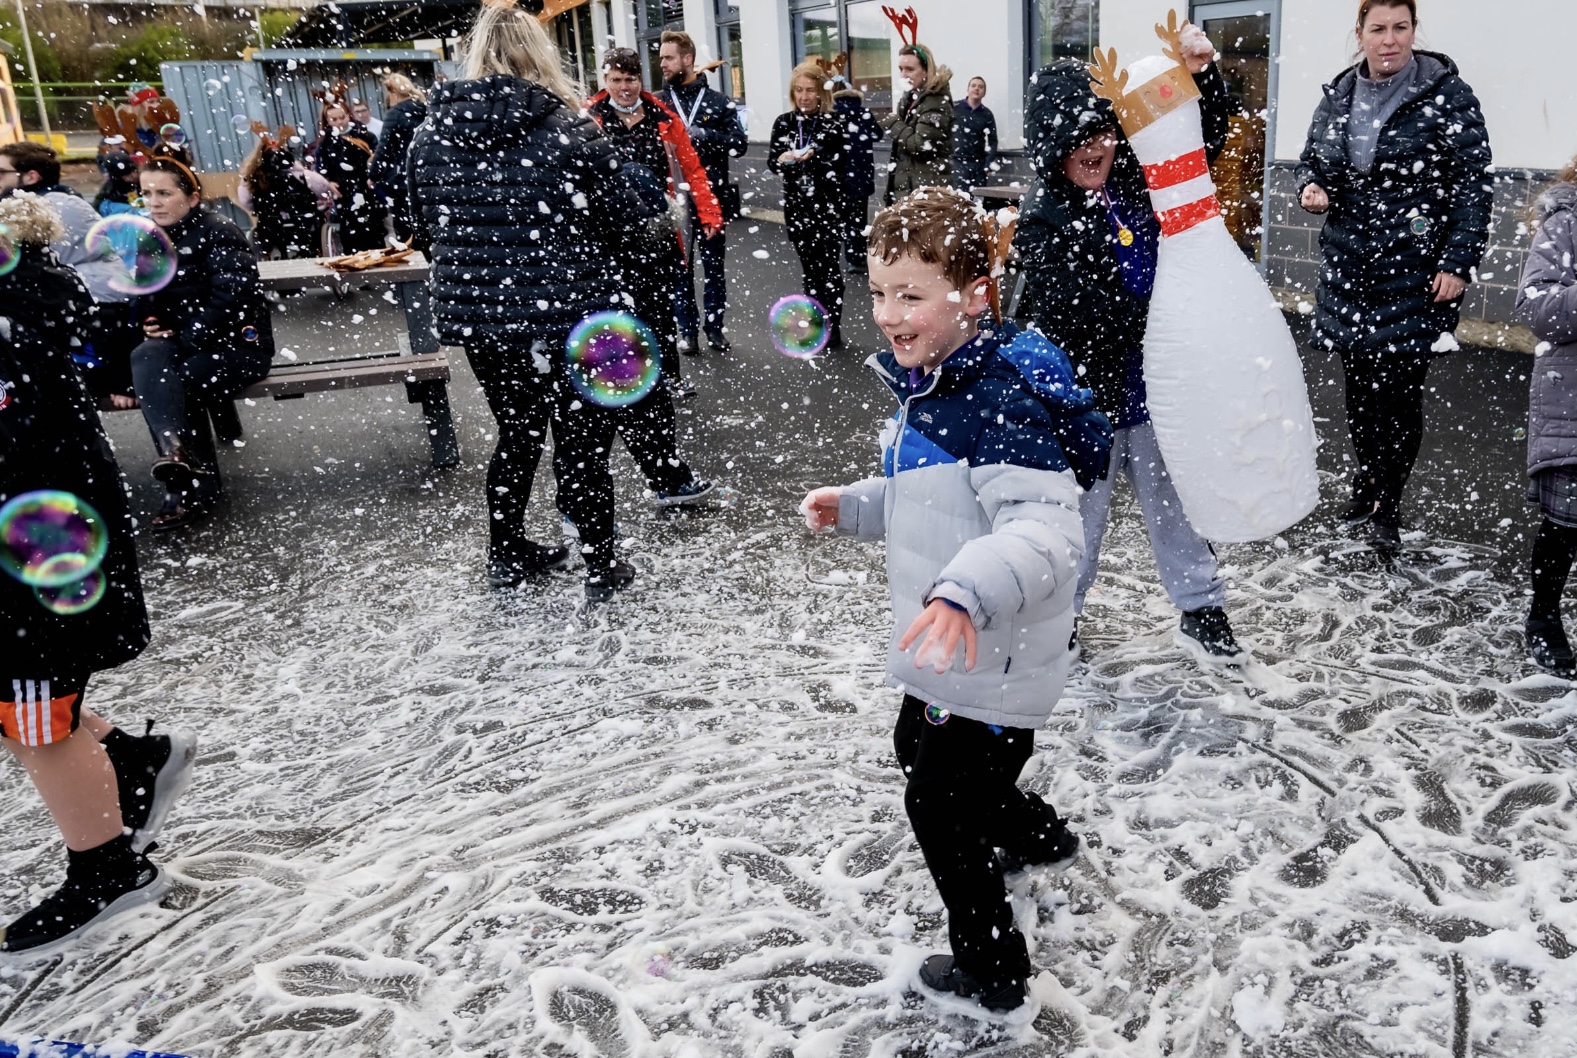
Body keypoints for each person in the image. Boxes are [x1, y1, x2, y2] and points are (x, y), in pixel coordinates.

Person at [801, 187, 1111, 1013]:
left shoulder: (997, 399)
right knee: (923, 749)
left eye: (910, 294)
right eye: (876, 292)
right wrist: (862, 504)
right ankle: (1035, 833)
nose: (888, 313)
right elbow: (934, 499)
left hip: (992, 651)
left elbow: (1048, 536)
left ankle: (992, 967)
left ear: (972, 296)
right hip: (960, 650)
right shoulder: (939, 382)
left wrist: (964, 592)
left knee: (938, 803)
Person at [407, 1, 660, 601]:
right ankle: (599, 561)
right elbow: (625, 219)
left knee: (517, 432)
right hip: (570, 311)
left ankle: (506, 549)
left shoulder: (429, 134)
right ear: (538, 56)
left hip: (485, 317)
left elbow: (423, 222)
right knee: (582, 439)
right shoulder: (569, 129)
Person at [0, 190, 196, 956]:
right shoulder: (28, 281)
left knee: (32, 709)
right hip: (42, 525)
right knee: (26, 698)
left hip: (36, 534)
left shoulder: (15, 303)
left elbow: (18, 418)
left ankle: (108, 870)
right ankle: (130, 757)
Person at [1017, 34, 1249, 666]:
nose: (1098, 147)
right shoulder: (1044, 216)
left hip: (1154, 389)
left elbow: (1195, 141)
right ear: (1050, 145)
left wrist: (1201, 74)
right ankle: (1058, 618)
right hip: (1086, 396)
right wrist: (1163, 318)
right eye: (1080, 138)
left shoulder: (1129, 179)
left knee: (1175, 504)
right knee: (1078, 522)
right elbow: (1075, 313)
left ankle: (1202, 605)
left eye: (1104, 133)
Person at [1296, 0, 1492, 550]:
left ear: (1413, 31)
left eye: (1400, 28)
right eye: (1378, 29)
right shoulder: (1338, 96)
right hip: (1350, 269)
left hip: (1414, 272)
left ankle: (1388, 502)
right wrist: (1311, 188)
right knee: (1359, 394)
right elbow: (1314, 160)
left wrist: (1457, 262)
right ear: (1359, 34)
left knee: (1399, 395)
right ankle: (1368, 483)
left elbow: (1473, 186)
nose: (1390, 40)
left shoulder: (1447, 96)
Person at [579, 49, 717, 500]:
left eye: (630, 80)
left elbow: (692, 166)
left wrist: (707, 210)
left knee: (660, 311)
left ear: (641, 80)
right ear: (606, 79)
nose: (624, 88)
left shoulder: (660, 114)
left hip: (657, 232)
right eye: (617, 80)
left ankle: (663, 373)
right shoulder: (589, 117)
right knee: (621, 323)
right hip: (610, 240)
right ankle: (636, 385)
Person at [128, 157, 274, 531]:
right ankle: (175, 453)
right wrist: (147, 320)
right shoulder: (152, 237)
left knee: (180, 380)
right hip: (184, 342)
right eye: (147, 193)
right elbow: (142, 293)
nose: (154, 202)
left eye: (164, 193)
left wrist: (188, 337)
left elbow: (235, 298)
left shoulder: (218, 231)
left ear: (192, 198)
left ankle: (192, 489)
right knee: (146, 354)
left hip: (237, 346)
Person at [0, 142, 139, 407]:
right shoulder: (44, 201)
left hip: (98, 321)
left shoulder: (48, 208)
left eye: (1, 172)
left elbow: (27, 272)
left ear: (31, 176)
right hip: (83, 316)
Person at [1518, 155, 1577, 676]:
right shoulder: (1565, 224)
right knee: (1566, 524)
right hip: (1573, 398)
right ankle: (1543, 615)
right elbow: (1538, 309)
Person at [659, 30, 748, 354]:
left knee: (714, 269)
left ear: (687, 60)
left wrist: (704, 134)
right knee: (679, 269)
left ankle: (714, 328)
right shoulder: (660, 102)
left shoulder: (718, 102)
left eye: (668, 57)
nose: (662, 64)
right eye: (661, 58)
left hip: (712, 196)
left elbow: (739, 143)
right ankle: (687, 331)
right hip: (674, 200)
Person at [769, 62, 849, 350]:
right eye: (799, 90)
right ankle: (816, 324)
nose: (804, 96)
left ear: (820, 93)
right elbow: (773, 159)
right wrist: (783, 160)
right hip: (798, 209)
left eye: (810, 90)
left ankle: (833, 323)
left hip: (827, 208)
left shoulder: (832, 123)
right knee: (810, 269)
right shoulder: (784, 122)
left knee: (829, 268)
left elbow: (836, 157)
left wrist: (813, 155)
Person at [880, 44, 953, 204]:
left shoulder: (936, 100)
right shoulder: (909, 100)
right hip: (912, 190)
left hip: (926, 193)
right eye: (901, 69)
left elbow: (921, 145)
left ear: (926, 71)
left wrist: (894, 124)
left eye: (910, 69)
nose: (903, 75)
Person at [314, 100, 386, 254]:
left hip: (366, 187)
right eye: (334, 119)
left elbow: (377, 158)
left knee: (373, 226)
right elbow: (321, 167)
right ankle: (354, 258)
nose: (340, 122)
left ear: (349, 116)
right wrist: (329, 183)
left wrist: (373, 174)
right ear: (327, 121)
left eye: (342, 117)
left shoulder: (364, 135)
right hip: (344, 191)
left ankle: (377, 257)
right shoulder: (326, 143)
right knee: (350, 227)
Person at [239, 134, 327, 260]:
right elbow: (323, 188)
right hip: (304, 222)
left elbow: (246, 201)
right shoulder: (301, 175)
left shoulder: (254, 178)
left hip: (270, 225)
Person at [368, 74, 429, 248]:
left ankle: (411, 268)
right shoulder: (426, 109)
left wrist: (373, 174)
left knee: (404, 227)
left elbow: (384, 149)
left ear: (392, 91)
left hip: (401, 179)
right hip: (425, 175)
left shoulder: (395, 114)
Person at [830, 76, 883, 272]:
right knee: (859, 217)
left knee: (842, 217)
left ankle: (848, 255)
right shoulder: (864, 112)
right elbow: (877, 134)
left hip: (839, 175)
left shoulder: (832, 113)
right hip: (862, 173)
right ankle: (858, 257)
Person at [951, 77, 998, 193]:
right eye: (973, 85)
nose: (977, 89)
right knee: (959, 199)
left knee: (978, 200)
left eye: (981, 87)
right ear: (968, 89)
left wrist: (987, 164)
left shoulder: (987, 114)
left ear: (984, 93)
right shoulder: (954, 108)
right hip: (957, 163)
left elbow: (993, 141)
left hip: (979, 166)